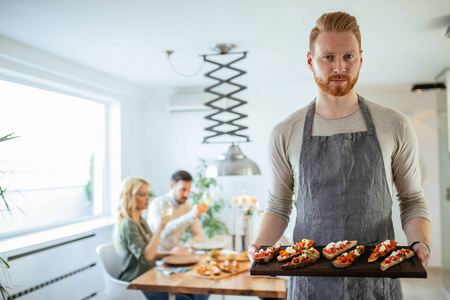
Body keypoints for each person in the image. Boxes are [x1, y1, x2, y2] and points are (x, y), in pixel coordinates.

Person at [248, 11, 431, 300]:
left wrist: (420, 241)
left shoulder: (394, 125)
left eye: (348, 56)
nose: (339, 67)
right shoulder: (285, 132)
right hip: (310, 282)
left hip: (376, 282)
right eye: (328, 57)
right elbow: (278, 205)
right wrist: (259, 246)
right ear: (310, 61)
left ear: (361, 59)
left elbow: (412, 199)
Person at [113, 178, 198, 300]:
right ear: (129, 197)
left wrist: (170, 254)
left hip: (148, 280)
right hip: (136, 286)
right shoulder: (128, 224)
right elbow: (147, 257)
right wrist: (160, 228)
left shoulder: (140, 221)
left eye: (148, 194)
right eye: (142, 195)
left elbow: (150, 252)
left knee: (189, 293)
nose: (147, 198)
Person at [147, 170, 207, 253]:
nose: (187, 194)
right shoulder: (157, 204)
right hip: (158, 255)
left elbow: (200, 235)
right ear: (172, 186)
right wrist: (190, 216)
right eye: (183, 190)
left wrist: (186, 246)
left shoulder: (188, 207)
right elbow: (163, 231)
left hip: (176, 255)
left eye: (189, 189)